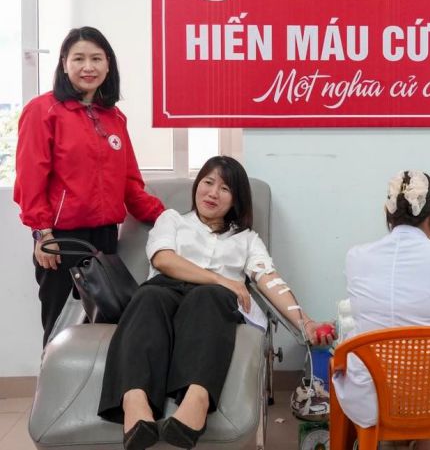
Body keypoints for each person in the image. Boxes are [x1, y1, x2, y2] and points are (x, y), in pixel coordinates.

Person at [97, 156, 333, 450]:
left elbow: (269, 279)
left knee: (207, 297)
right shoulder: (171, 219)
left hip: (213, 304)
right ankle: (135, 404)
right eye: (208, 183)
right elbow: (163, 259)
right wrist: (222, 280)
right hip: (166, 289)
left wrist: (304, 322)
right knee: (147, 295)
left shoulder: (246, 239)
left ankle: (196, 401)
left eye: (224, 188)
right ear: (197, 186)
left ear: (236, 200)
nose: (212, 193)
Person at [14, 26, 165, 346]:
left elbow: (130, 185)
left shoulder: (114, 118)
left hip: (106, 239)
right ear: (64, 64)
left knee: (102, 332)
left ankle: (98, 395)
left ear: (108, 65)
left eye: (96, 58)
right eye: (78, 58)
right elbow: (30, 179)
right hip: (61, 241)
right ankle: (55, 395)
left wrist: (170, 218)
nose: (88, 67)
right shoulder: (43, 111)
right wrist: (43, 233)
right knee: (60, 331)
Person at [332, 170, 430, 450]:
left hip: (372, 397)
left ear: (387, 213)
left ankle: (392, 439)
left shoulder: (357, 257)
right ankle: (423, 439)